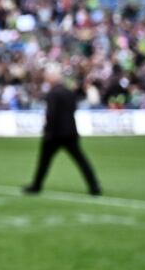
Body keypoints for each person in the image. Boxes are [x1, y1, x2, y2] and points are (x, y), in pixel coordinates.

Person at [23, 64, 102, 196]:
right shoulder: (68, 92)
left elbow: (51, 115)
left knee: (44, 161)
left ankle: (36, 186)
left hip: (55, 134)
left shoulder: (53, 94)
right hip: (70, 132)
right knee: (81, 160)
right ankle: (94, 186)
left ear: (52, 78)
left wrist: (48, 131)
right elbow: (74, 109)